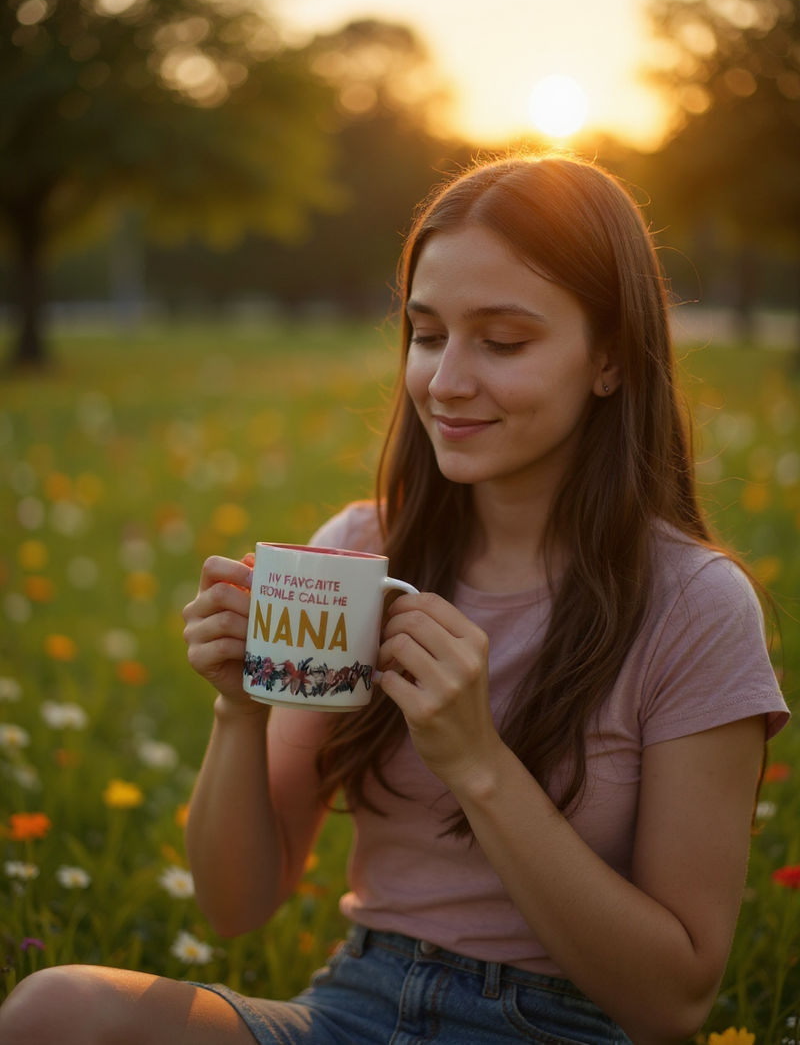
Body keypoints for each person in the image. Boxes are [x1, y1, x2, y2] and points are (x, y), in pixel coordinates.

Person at [0, 153, 789, 1045]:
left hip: (564, 1027)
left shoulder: (693, 605)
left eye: (503, 341)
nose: (445, 381)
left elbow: (673, 1002)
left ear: (609, 358)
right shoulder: (362, 554)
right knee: (54, 1011)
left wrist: (477, 761)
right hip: (357, 1007)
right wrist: (238, 711)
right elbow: (235, 906)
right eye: (426, 333)